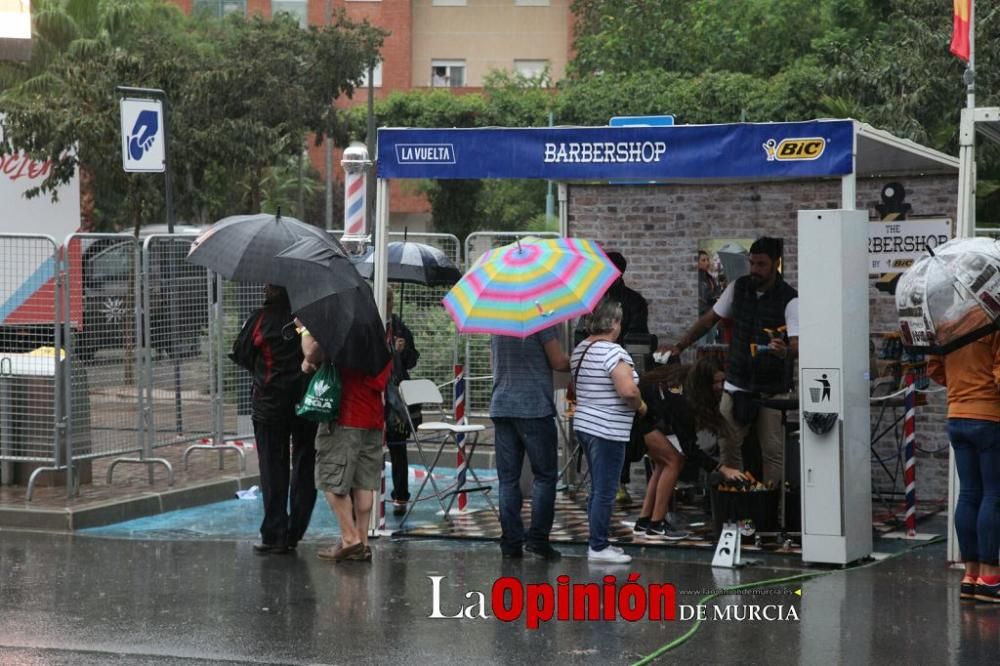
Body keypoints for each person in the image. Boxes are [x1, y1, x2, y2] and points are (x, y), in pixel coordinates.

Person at [668, 237, 798, 487]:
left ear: (776, 264)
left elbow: (798, 344)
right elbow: (708, 320)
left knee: (772, 450)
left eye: (761, 264)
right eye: (752, 264)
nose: (755, 270)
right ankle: (735, 501)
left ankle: (770, 507)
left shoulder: (790, 298)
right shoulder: (738, 288)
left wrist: (785, 352)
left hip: (772, 388)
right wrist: (680, 345)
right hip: (737, 381)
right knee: (728, 445)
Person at [230, 285, 317, 555]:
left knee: (272, 467)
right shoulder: (309, 317)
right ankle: (296, 530)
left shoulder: (260, 319)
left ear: (271, 290)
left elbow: (242, 353)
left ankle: (274, 533)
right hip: (305, 401)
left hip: (269, 404)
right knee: (304, 463)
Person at [300, 321, 391, 563]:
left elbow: (310, 354)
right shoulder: (381, 342)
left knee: (331, 479)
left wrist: (304, 329)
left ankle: (349, 539)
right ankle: (362, 541)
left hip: (344, 416)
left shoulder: (341, 335)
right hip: (372, 419)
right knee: (364, 483)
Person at [571, 298, 647, 564]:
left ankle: (598, 542)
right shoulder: (613, 352)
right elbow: (627, 390)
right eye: (619, 320)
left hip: (585, 424)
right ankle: (598, 546)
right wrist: (640, 405)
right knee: (605, 489)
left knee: (597, 488)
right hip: (607, 429)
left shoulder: (581, 349)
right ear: (613, 323)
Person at [928, 333, 1000, 603]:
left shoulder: (949, 325)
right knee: (994, 495)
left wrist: (962, 387)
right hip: (990, 417)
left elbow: (934, 367)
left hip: (957, 416)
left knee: (969, 494)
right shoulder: (994, 324)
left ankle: (970, 577)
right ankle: (990, 578)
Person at [490, 324, 569, 561]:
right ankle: (537, 540)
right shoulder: (541, 319)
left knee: (508, 479)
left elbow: (492, 363)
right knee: (544, 476)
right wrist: (580, 357)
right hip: (534, 407)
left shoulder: (497, 323)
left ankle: (511, 543)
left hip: (502, 405)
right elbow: (558, 362)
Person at [632, 358, 730, 539]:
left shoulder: (683, 380)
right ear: (703, 383)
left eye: (722, 381)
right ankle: (656, 525)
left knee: (663, 462)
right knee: (674, 461)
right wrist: (721, 468)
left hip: (638, 415)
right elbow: (690, 448)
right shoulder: (682, 398)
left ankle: (644, 520)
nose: (720, 386)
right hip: (634, 417)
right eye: (715, 382)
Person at [385, 287, 420, 516]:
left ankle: (400, 494)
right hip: (376, 392)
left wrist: (403, 350)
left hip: (396, 395)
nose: (387, 302)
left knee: (398, 446)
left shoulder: (400, 329)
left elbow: (411, 361)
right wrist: (389, 350)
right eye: (384, 297)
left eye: (390, 298)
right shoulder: (369, 325)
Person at [697, 250, 721, 345]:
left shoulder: (709, 277)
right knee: (702, 344)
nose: (707, 262)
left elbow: (715, 292)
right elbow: (705, 296)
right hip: (703, 315)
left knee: (710, 344)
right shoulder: (698, 277)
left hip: (711, 314)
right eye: (703, 260)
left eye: (707, 259)